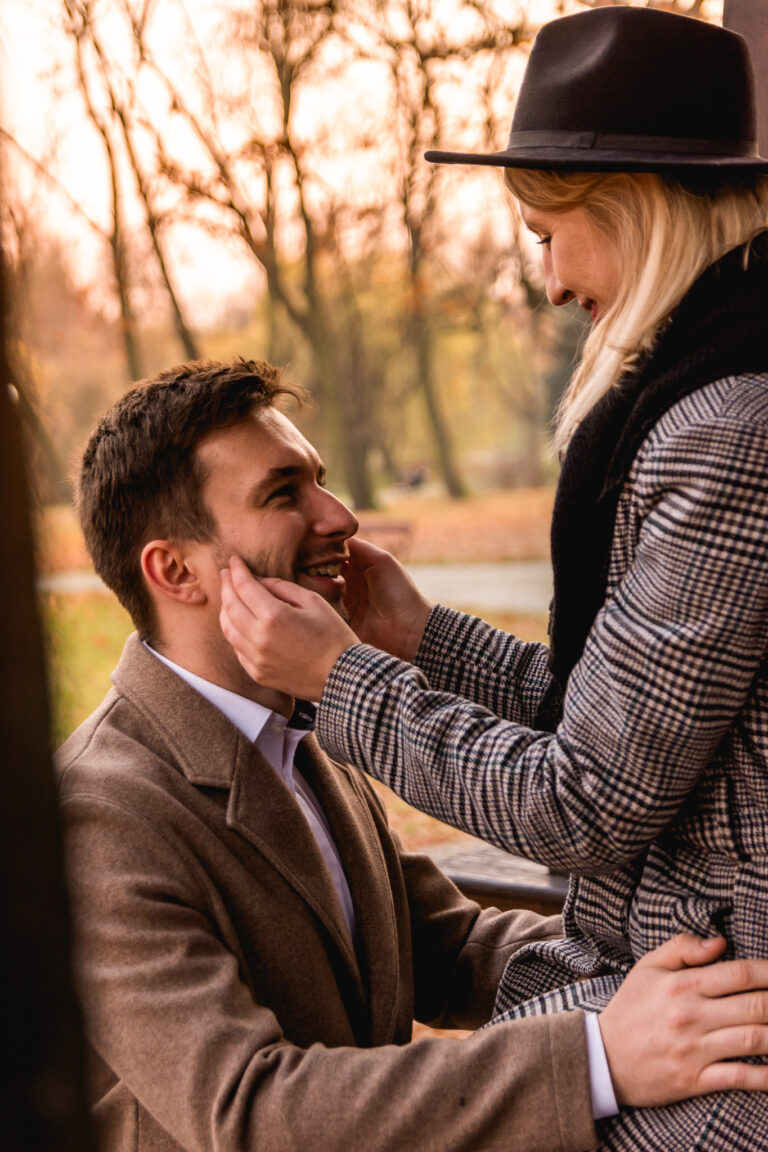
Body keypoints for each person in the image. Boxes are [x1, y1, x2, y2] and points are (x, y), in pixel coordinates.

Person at [217, 9, 768, 1150]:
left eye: (548, 234)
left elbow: (585, 802)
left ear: (634, 205)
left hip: (725, 1022)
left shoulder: (726, 429)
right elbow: (622, 715)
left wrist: (342, 681)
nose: (551, 283)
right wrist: (427, 639)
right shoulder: (709, 386)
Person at [60, 359, 768, 1152]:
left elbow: (450, 950)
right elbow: (251, 1111)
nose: (340, 516)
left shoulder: (301, 732)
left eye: (320, 481)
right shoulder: (94, 817)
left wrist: (680, 970)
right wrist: (598, 1055)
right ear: (174, 570)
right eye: (284, 494)